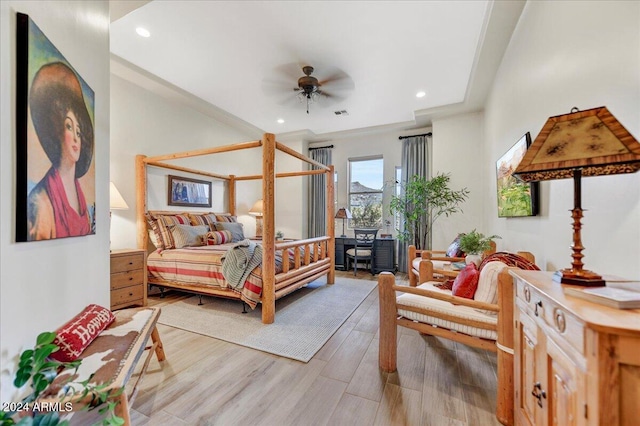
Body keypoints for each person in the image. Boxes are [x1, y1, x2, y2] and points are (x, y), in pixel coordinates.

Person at [26, 62, 95, 240]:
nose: (76, 138)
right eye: (68, 127)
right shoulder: (40, 202)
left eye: (78, 132)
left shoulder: (81, 196)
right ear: (56, 130)